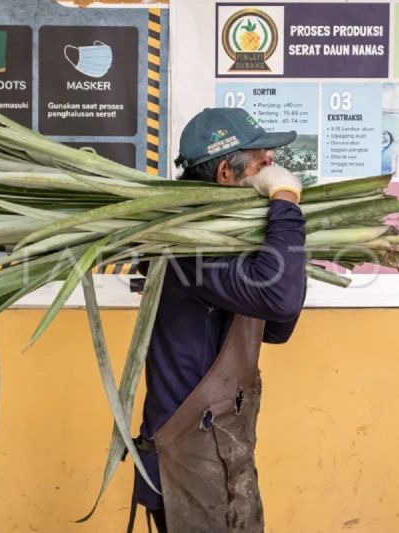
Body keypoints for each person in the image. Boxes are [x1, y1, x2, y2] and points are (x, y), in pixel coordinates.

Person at [131, 107, 306, 533]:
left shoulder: (224, 245)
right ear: (226, 173)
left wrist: (276, 244)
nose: (273, 169)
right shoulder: (188, 248)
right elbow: (280, 300)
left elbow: (278, 326)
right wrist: (284, 203)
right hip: (186, 465)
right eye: (263, 163)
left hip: (223, 453)